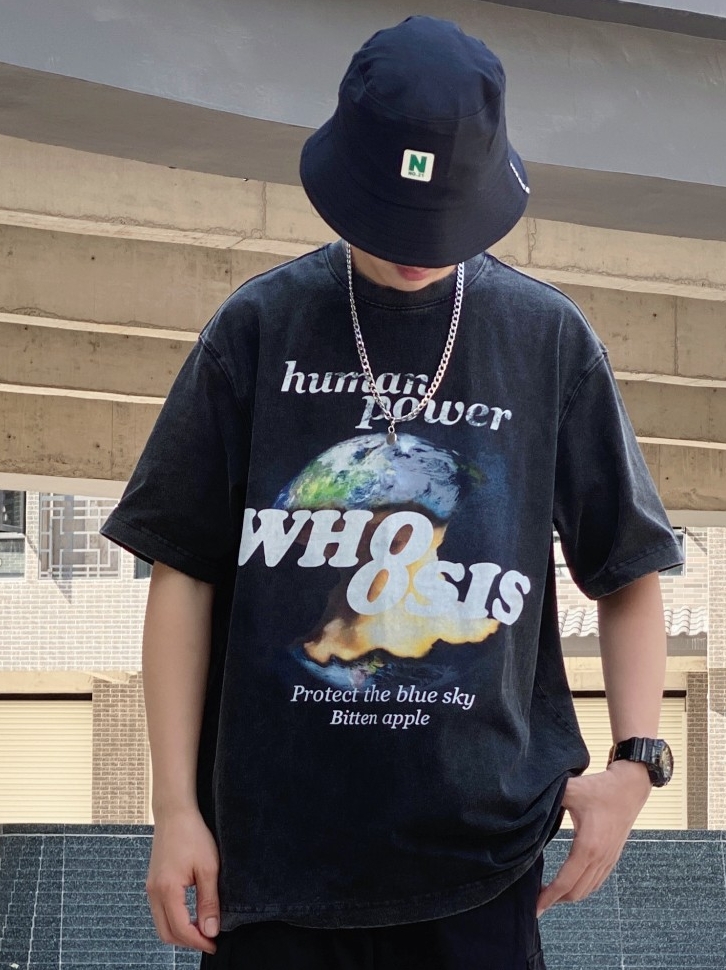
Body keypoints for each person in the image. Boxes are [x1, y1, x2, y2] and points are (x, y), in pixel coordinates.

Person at [101, 15, 681, 970]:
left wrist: (636, 763)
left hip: (482, 863)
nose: (418, 250)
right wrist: (173, 810)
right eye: (391, 218)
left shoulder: (546, 340)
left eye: (446, 224)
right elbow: (183, 571)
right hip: (272, 859)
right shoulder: (258, 328)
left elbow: (627, 567)